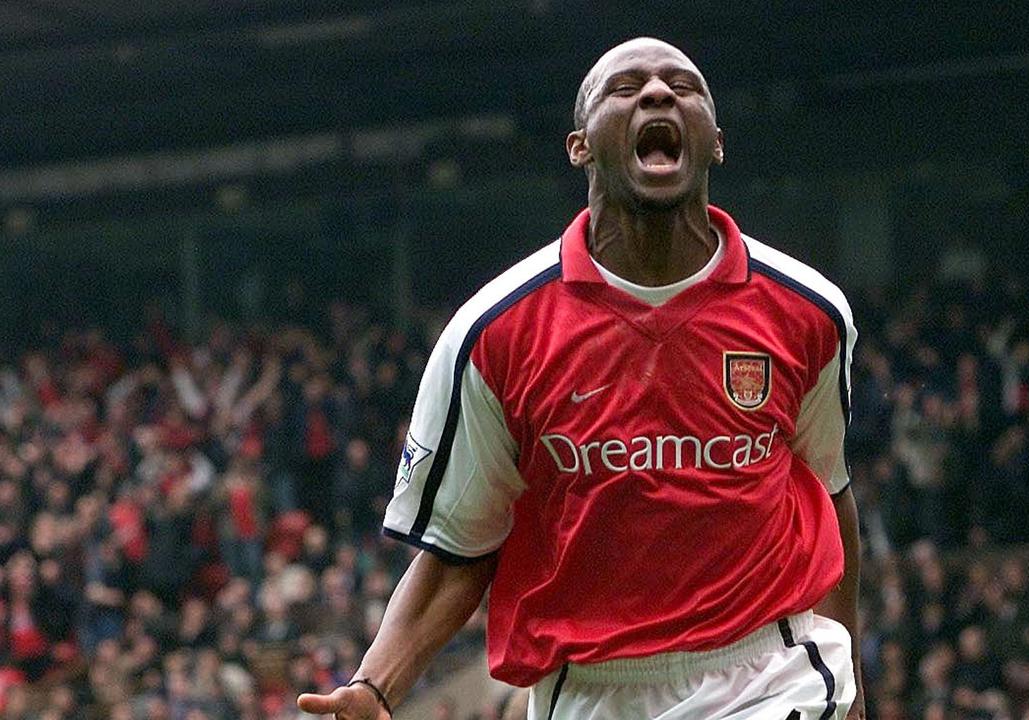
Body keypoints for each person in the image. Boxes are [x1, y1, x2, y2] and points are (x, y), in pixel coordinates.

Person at [298, 37, 864, 720]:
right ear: (579, 147)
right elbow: (460, 547)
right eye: (625, 88)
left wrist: (853, 680)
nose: (658, 94)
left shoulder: (808, 311)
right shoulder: (493, 334)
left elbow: (827, 493)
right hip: (588, 692)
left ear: (715, 142)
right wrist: (376, 686)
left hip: (767, 673)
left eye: (683, 87)